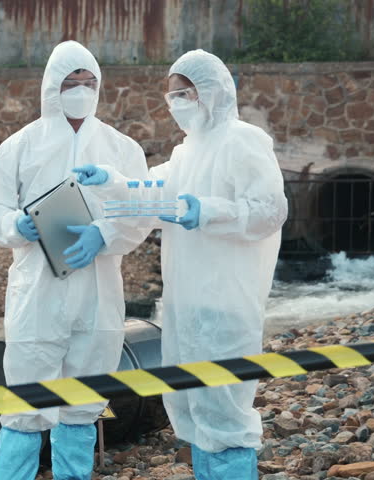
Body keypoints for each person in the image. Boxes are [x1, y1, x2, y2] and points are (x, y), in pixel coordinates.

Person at [73, 49, 288, 480]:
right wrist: (112, 182)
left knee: (224, 413)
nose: (176, 102)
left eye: (184, 92)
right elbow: (150, 190)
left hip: (226, 306)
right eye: (171, 95)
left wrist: (206, 211)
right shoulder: (186, 154)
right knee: (191, 410)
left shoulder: (242, 141)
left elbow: (269, 209)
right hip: (185, 308)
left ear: (211, 91)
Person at [0, 40, 152, 480]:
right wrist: (18, 225)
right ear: (51, 87)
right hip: (37, 292)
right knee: (25, 405)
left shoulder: (121, 149)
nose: (80, 90)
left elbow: (143, 210)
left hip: (98, 290)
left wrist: (105, 233)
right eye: (70, 83)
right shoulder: (21, 146)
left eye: (89, 82)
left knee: (84, 402)